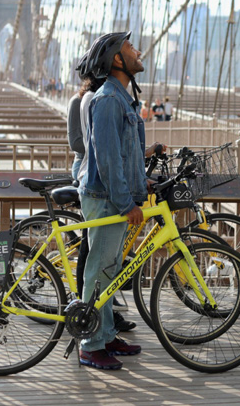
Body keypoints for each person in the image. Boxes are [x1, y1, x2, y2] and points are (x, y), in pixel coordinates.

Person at [75, 31, 147, 370]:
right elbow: (107, 160)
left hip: (115, 199)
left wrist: (139, 189)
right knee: (99, 274)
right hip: (106, 200)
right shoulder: (107, 100)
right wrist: (124, 202)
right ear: (117, 60)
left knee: (110, 272)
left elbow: (125, 154)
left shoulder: (122, 99)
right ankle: (90, 345)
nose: (137, 51)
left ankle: (105, 334)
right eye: (130, 48)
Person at [70, 64, 136, 333]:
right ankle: (93, 335)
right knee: (97, 264)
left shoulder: (111, 98)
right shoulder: (98, 100)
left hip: (104, 183)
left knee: (107, 267)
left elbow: (118, 150)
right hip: (96, 182)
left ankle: (106, 331)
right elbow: (98, 152)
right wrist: (126, 202)